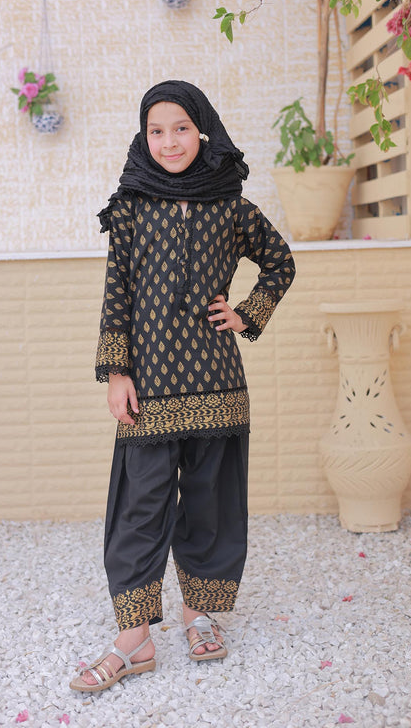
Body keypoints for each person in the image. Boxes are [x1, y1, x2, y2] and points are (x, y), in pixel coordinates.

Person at [70, 80, 295, 693]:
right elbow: (117, 292)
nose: (169, 142)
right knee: (139, 506)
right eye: (156, 131)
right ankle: (134, 638)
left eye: (181, 128)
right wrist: (116, 372)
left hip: (215, 382)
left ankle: (200, 617)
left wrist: (246, 314)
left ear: (203, 131)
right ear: (144, 137)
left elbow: (280, 262)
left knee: (208, 502)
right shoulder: (131, 204)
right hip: (148, 385)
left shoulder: (231, 206)